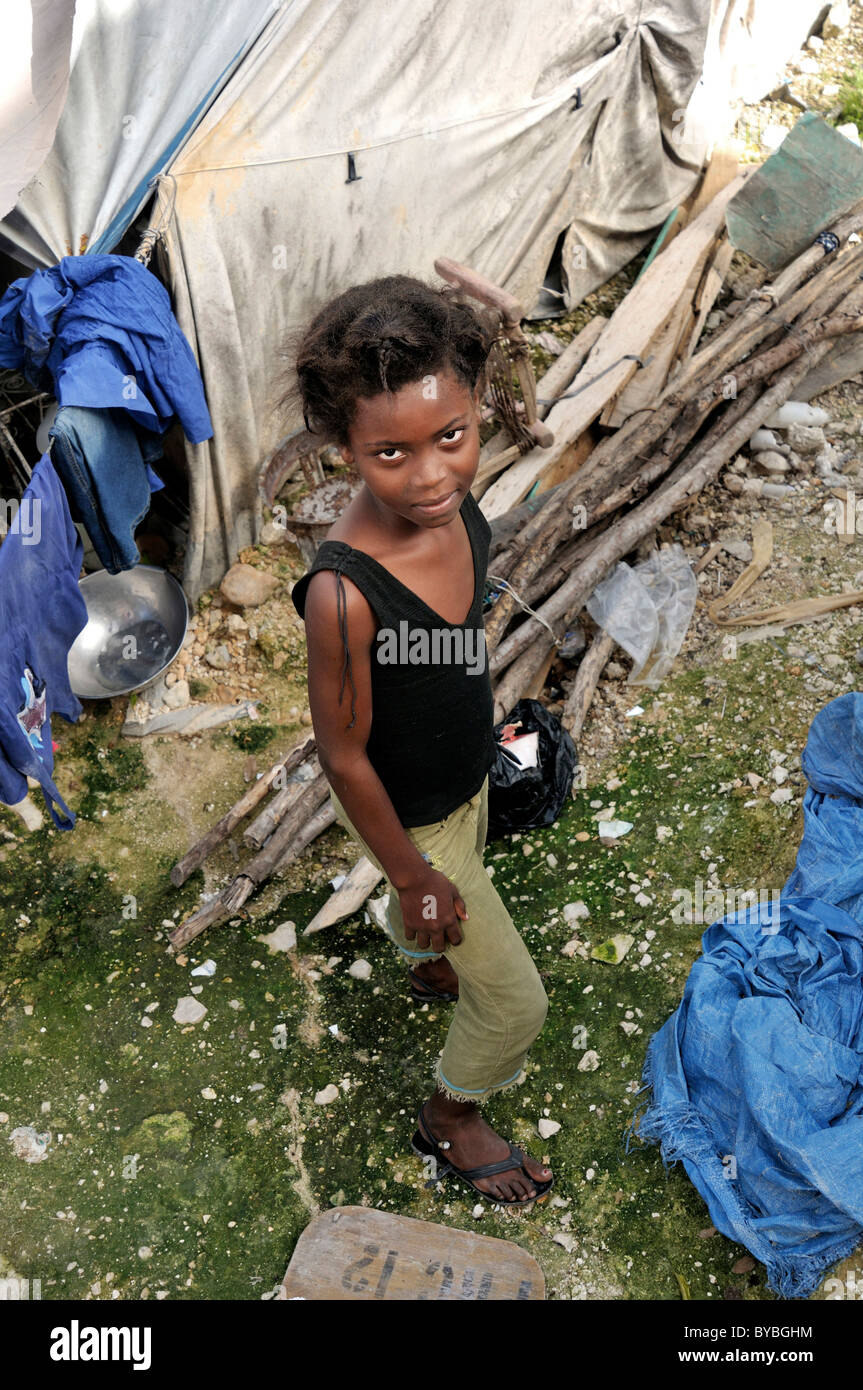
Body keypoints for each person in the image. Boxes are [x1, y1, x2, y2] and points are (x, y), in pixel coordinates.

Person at [288, 275, 552, 1206]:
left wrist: (481, 722)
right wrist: (410, 875)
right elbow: (344, 754)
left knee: (458, 875)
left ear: (478, 409)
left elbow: (447, 644)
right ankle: (450, 1117)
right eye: (390, 453)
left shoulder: (461, 518)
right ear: (344, 448)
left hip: (463, 775)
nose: (432, 474)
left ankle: (430, 953)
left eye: (452, 436)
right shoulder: (344, 593)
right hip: (406, 812)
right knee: (517, 1001)